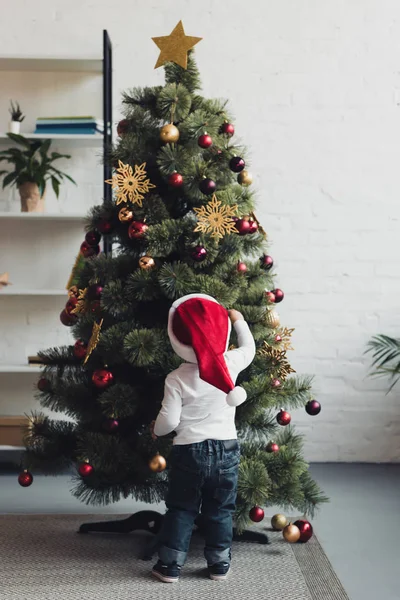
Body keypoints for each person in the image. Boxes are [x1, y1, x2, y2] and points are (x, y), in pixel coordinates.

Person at [150, 293, 256, 583]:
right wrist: (239, 320)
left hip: (189, 451)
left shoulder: (176, 378)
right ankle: (219, 564)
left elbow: (169, 421)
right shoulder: (230, 363)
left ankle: (170, 566)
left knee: (182, 509)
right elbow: (249, 349)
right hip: (227, 449)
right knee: (220, 509)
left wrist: (155, 430)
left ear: (176, 338)